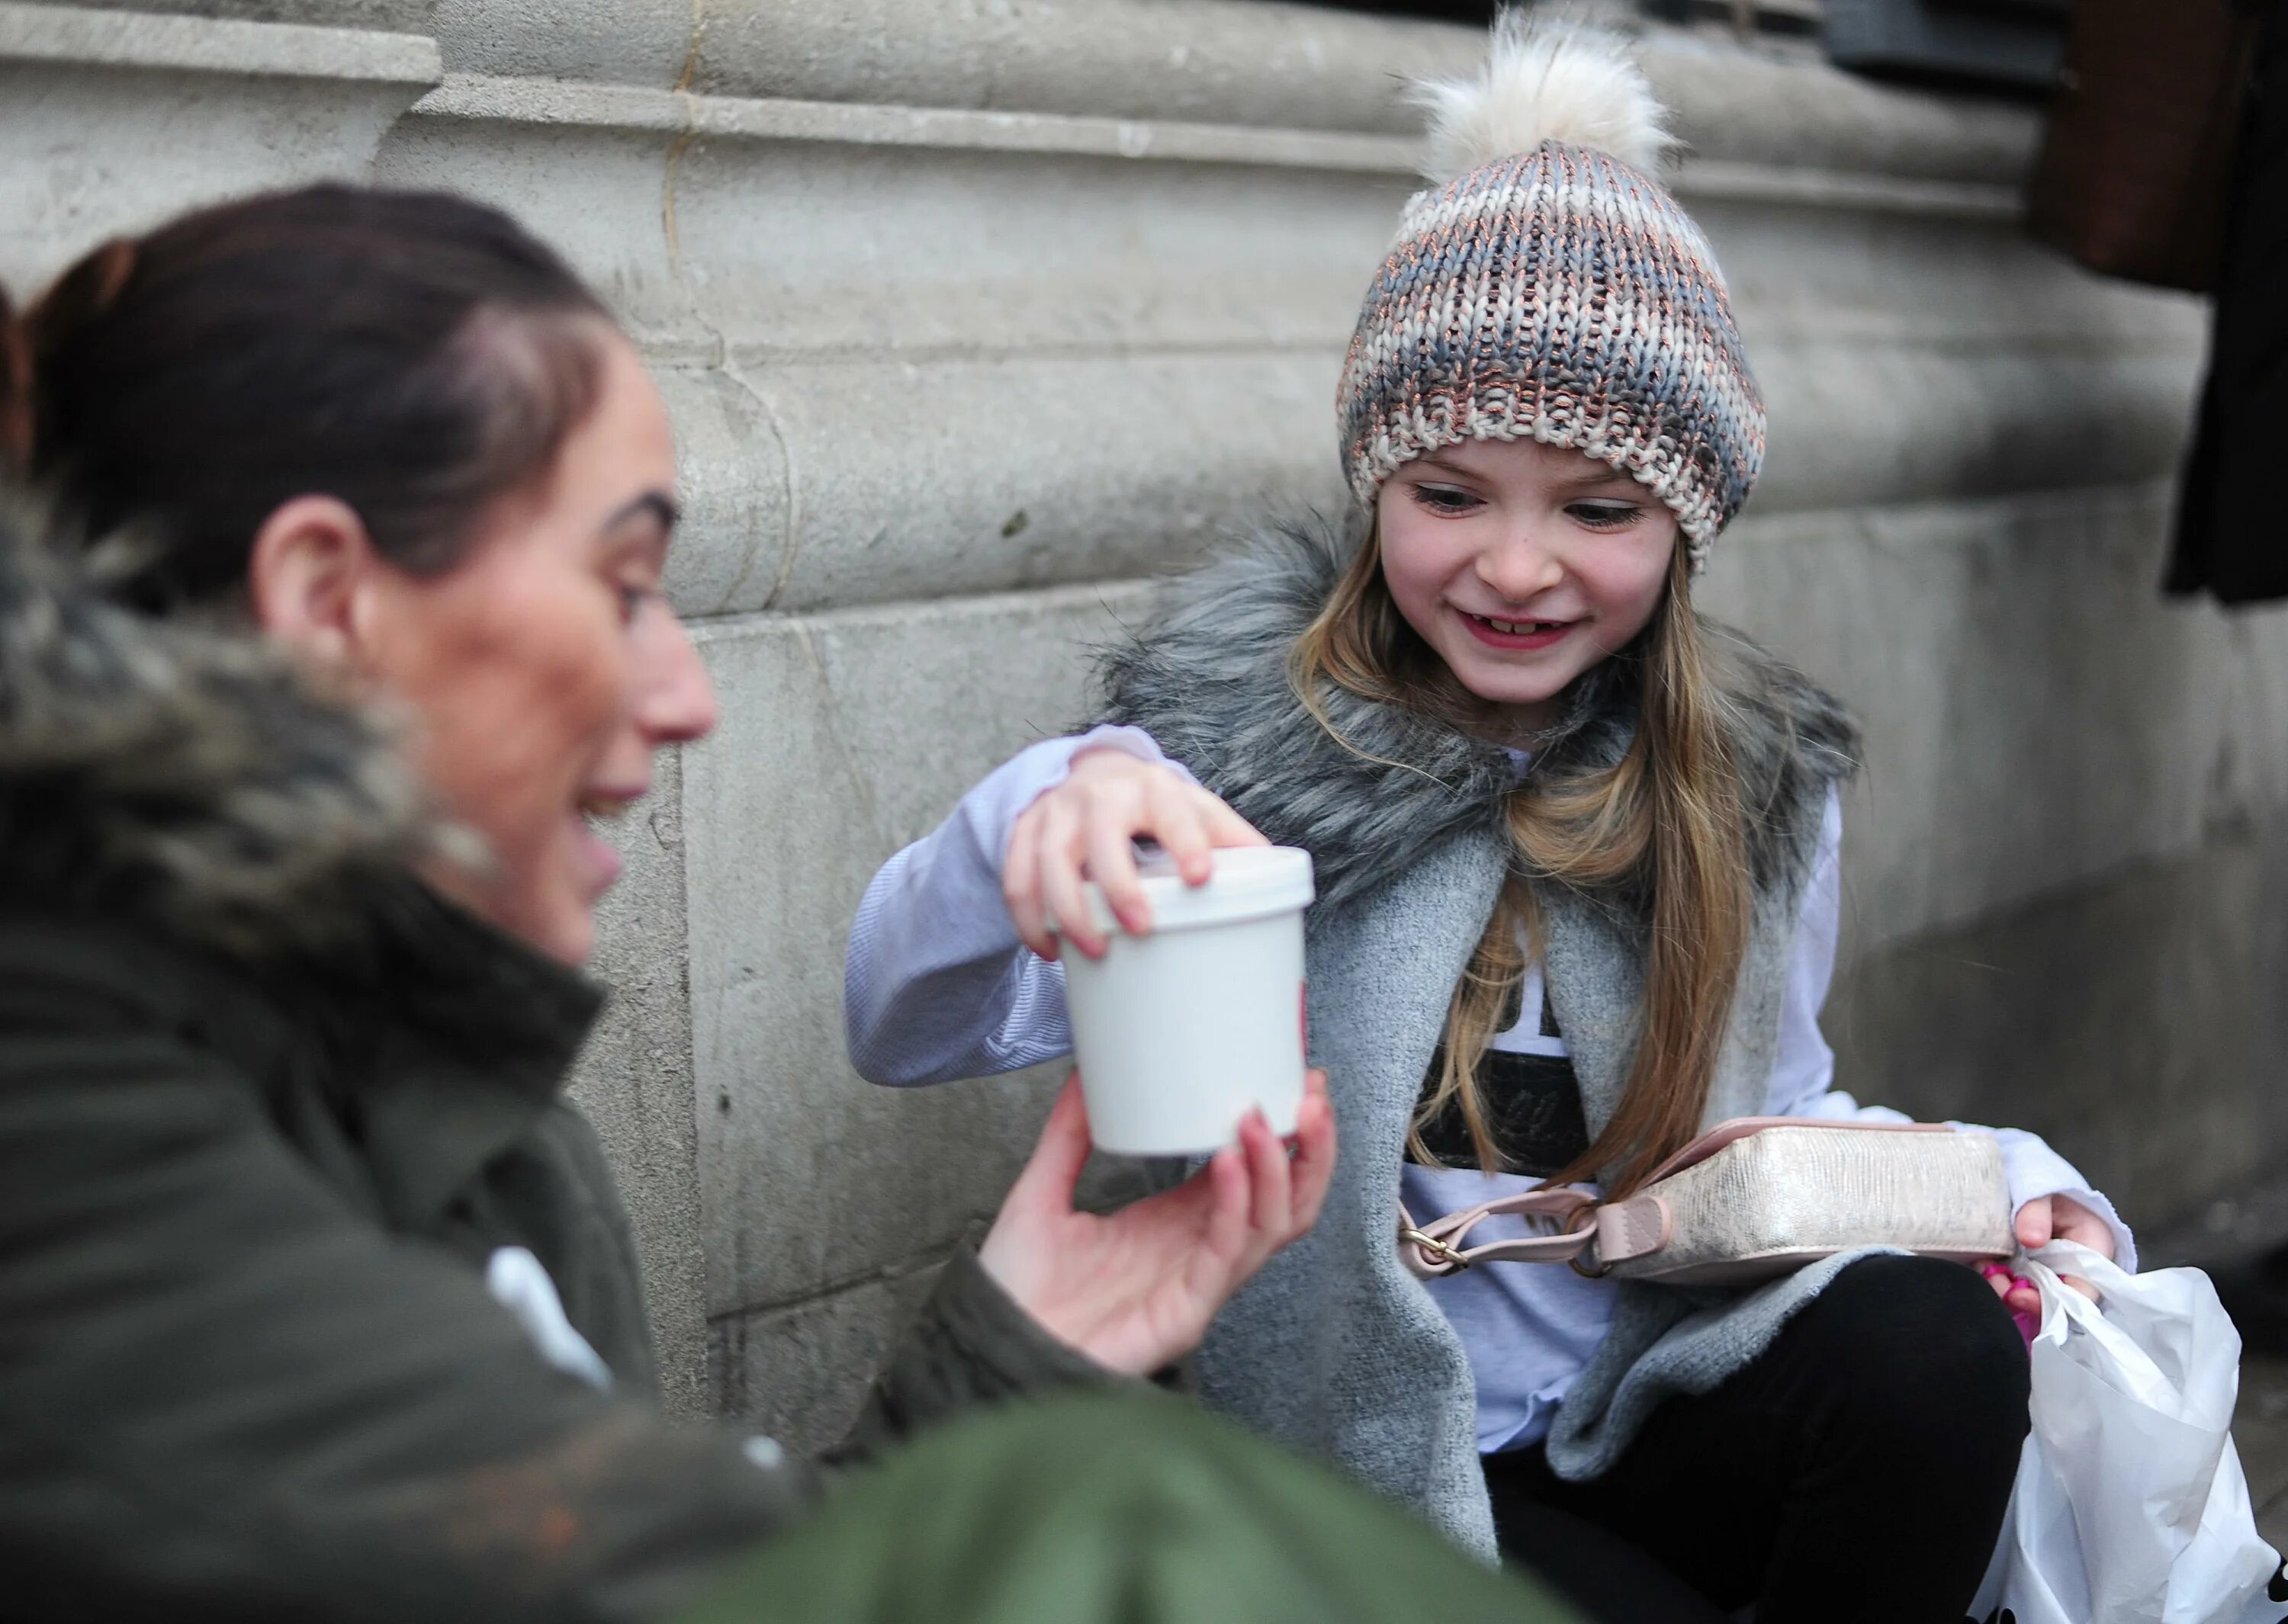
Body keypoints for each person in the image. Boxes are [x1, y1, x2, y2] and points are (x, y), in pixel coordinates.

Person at [0, 182, 1454, 1622]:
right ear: (328, 602)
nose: (688, 695)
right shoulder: (61, 1131)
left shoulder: (427, 1094)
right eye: (624, 585)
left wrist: (1025, 1341)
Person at [842, 18, 2139, 1624]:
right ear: (1372, 485)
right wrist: (1032, 820)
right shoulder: (1216, 774)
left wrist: (2002, 1176)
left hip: (1634, 1411)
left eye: (1596, 511)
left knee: (1932, 1358)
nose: (1515, 568)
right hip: (1332, 1452)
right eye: (1448, 495)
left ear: (1686, 530)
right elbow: (899, 1023)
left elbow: (1771, 1121)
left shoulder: (1749, 790)